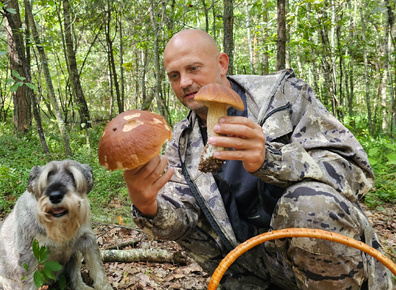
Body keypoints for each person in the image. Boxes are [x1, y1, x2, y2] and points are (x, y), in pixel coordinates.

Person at [123, 28, 392, 289]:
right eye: (174, 75)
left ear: (222, 63)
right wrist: (147, 207)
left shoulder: (282, 96)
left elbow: (355, 171)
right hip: (255, 270)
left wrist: (271, 161)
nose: (184, 83)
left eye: (193, 68)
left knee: (311, 202)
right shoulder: (181, 144)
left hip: (326, 260)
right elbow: (182, 223)